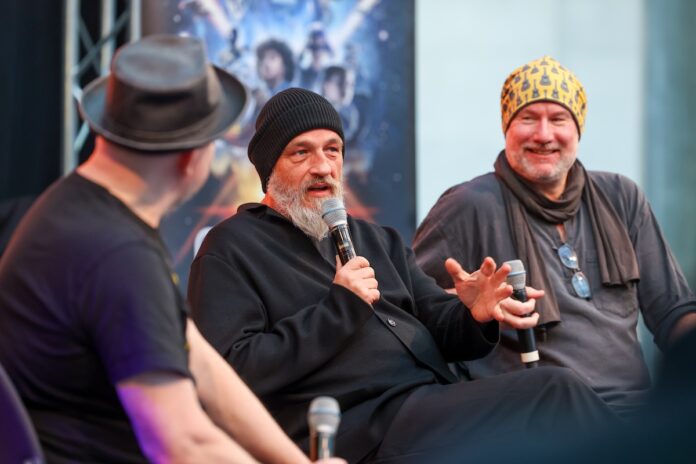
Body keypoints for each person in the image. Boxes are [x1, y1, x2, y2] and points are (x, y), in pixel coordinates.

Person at [188, 87, 618, 463]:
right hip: (359, 432)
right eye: (302, 152)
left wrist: (474, 313)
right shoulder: (231, 248)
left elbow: (439, 322)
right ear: (269, 167)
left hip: (429, 406)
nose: (323, 166)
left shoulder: (376, 239)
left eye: (333, 149)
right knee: (551, 392)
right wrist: (339, 308)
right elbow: (229, 374)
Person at [0, 35, 342, 464]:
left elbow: (199, 362)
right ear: (190, 159)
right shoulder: (116, 254)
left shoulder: (82, 208)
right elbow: (181, 442)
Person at [413, 56, 696, 419]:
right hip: (536, 417)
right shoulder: (467, 205)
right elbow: (411, 313)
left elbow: (674, 310)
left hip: (635, 416)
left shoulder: (621, 195)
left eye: (558, 119)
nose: (544, 135)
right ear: (506, 128)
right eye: (528, 118)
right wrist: (468, 307)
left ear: (578, 128)